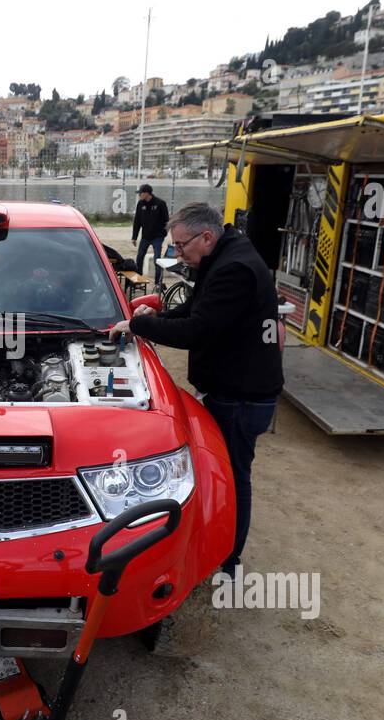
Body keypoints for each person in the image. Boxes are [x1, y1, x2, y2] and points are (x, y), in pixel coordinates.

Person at [109, 203, 283, 577]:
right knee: (220, 474)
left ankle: (228, 560)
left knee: (232, 479)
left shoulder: (233, 269)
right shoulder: (224, 255)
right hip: (234, 389)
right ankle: (221, 547)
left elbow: (197, 330)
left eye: (181, 245)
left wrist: (140, 329)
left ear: (206, 237)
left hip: (241, 396)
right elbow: (195, 310)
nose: (176, 253)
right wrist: (154, 318)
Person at [131, 183, 170, 286]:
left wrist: (163, 234)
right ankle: (138, 279)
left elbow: (167, 221)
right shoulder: (140, 204)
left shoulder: (160, 203)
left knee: (157, 260)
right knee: (139, 257)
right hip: (145, 237)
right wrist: (134, 237)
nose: (139, 195)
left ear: (147, 193)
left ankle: (158, 283)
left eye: (141, 193)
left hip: (157, 237)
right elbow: (137, 221)